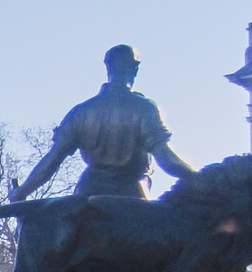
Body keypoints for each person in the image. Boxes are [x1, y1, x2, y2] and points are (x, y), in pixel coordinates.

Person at [10, 44, 198, 201]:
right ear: (135, 69)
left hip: (87, 193)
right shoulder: (145, 108)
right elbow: (167, 159)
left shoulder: (81, 111)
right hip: (132, 196)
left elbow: (50, 162)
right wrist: (199, 178)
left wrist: (22, 192)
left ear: (107, 67)